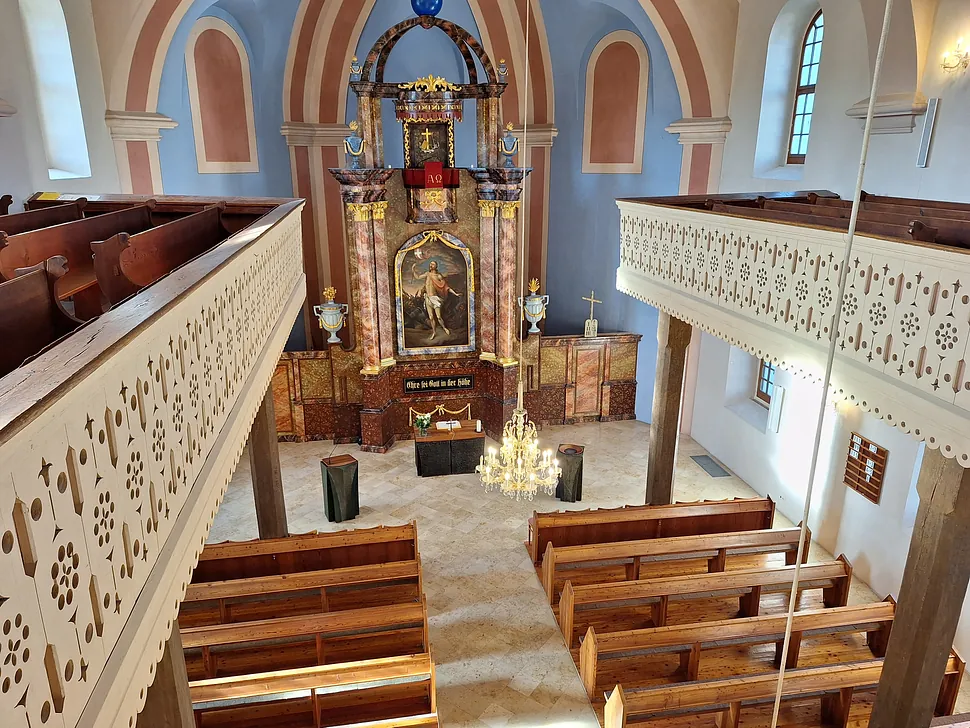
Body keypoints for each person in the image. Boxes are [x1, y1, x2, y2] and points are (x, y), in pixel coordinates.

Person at [411, 260, 461, 340]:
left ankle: (444, 328)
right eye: (430, 264)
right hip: (428, 298)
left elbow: (446, 287)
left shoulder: (438, 276)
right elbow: (417, 277)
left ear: (436, 266)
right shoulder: (427, 274)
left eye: (433, 264)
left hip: (435, 298)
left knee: (438, 317)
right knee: (431, 317)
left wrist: (455, 294)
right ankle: (434, 332)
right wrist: (413, 269)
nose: (431, 265)